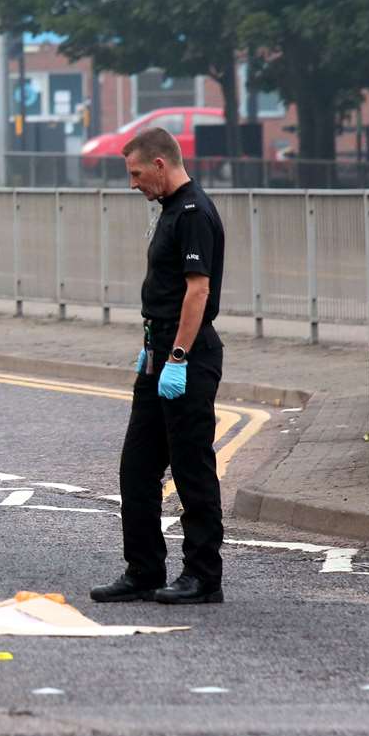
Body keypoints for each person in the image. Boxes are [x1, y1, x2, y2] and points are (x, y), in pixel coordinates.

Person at [92, 127, 227, 606]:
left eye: (135, 173)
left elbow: (198, 291)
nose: (132, 184)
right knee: (137, 469)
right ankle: (144, 570)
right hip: (159, 353)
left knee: (192, 469)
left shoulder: (193, 212)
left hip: (185, 356)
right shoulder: (170, 210)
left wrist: (178, 358)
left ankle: (203, 577)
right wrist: (154, 352)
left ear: (159, 166)